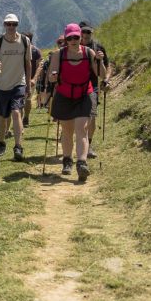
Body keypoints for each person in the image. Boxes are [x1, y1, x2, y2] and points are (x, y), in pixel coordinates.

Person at [48, 23, 104, 182]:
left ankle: (81, 163)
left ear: (81, 38)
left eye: (76, 37)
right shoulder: (59, 54)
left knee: (82, 129)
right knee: (67, 131)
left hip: (84, 95)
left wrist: (99, 61)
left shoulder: (88, 52)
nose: (73, 40)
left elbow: (101, 74)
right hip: (65, 95)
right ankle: (67, 160)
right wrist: (52, 77)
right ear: (66, 39)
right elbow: (51, 77)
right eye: (70, 38)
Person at [0, 14, 32, 162]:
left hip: (18, 83)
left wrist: (28, 84)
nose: (11, 27)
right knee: (2, 116)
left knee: (16, 113)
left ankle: (18, 146)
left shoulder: (24, 40)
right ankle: (2, 142)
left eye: (14, 24)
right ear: (4, 24)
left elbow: (28, 63)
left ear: (17, 25)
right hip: (2, 85)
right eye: (8, 24)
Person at [79, 21, 111, 159]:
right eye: (83, 31)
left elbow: (108, 66)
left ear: (92, 33)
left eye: (88, 32)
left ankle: (88, 146)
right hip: (74, 85)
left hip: (92, 86)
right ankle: (73, 138)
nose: (86, 34)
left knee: (91, 116)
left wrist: (106, 79)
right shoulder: (73, 45)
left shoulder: (98, 47)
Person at [37, 35, 64, 107]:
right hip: (55, 82)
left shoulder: (72, 54)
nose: (62, 44)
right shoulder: (55, 55)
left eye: (64, 42)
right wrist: (46, 82)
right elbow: (49, 69)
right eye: (59, 42)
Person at [22, 32, 42, 127]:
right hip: (19, 78)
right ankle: (21, 119)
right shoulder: (20, 50)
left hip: (31, 79)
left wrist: (34, 79)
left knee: (27, 99)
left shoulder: (35, 51)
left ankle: (26, 117)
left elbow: (39, 66)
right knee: (21, 99)